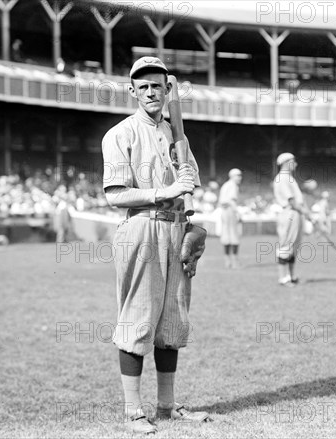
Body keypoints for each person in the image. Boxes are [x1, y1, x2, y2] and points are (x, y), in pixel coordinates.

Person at [101, 56, 211, 434]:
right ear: (132, 91)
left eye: (157, 85)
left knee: (172, 322)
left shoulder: (177, 135)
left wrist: (193, 224)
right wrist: (164, 192)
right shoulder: (120, 134)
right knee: (139, 318)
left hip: (176, 228)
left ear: (168, 91)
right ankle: (134, 411)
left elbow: (189, 183)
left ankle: (166, 406)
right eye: (142, 86)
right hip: (141, 229)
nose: (150, 91)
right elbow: (115, 194)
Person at [273, 153, 307, 287]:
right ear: (286, 162)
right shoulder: (282, 178)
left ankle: (291, 276)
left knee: (294, 246)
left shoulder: (290, 178)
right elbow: (291, 201)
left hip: (296, 213)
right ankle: (283, 278)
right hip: (289, 213)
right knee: (286, 245)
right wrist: (306, 212)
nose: (296, 164)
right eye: (294, 161)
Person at [219, 168, 243, 268]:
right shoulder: (232, 185)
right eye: (238, 175)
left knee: (226, 235)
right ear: (232, 176)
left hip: (224, 211)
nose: (240, 178)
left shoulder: (226, 185)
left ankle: (228, 261)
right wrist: (238, 213)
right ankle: (234, 262)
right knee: (234, 235)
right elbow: (231, 201)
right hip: (229, 210)